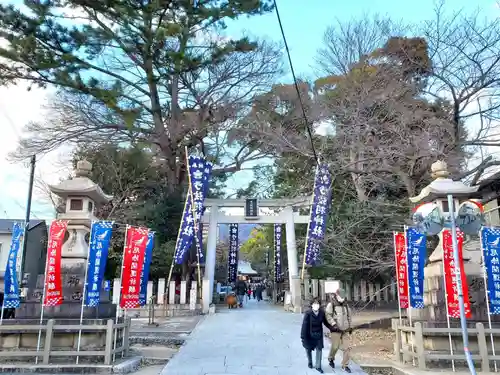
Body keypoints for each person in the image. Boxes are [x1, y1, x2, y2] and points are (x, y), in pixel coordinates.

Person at [301, 297, 339, 373]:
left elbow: (325, 322)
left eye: (317, 303)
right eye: (314, 303)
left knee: (319, 349)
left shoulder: (321, 312)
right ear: (311, 305)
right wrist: (303, 336)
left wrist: (332, 328)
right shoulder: (308, 313)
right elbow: (304, 325)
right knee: (308, 349)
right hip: (309, 334)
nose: (316, 305)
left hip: (318, 334)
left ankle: (318, 366)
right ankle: (310, 362)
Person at [325, 289, 353, 373]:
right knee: (335, 346)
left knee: (347, 348)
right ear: (337, 296)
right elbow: (328, 315)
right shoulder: (332, 305)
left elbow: (349, 317)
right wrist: (333, 324)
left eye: (343, 297)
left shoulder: (346, 305)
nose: (342, 299)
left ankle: (345, 365)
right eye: (341, 297)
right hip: (336, 329)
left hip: (345, 330)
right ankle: (331, 358)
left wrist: (350, 327)